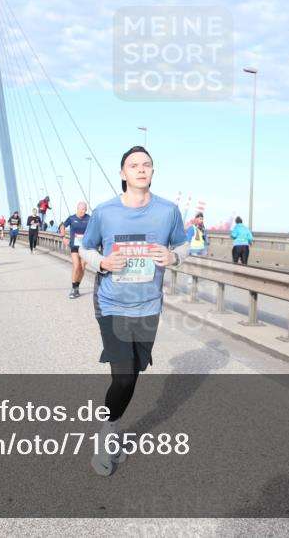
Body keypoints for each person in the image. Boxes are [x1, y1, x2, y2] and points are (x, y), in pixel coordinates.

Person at [78, 146, 189, 476]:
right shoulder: (105, 212)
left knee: (133, 375)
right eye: (134, 165)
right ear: (123, 174)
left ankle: (111, 431)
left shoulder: (168, 211)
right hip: (111, 302)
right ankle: (106, 435)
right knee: (123, 375)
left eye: (147, 165)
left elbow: (184, 245)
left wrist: (174, 257)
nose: (141, 170)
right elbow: (85, 248)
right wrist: (102, 262)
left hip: (148, 304)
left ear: (153, 172)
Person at [60, 201, 92, 298]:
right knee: (76, 265)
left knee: (82, 267)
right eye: (80, 209)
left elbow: (96, 229)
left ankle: (77, 286)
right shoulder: (71, 218)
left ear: (86, 210)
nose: (81, 211)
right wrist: (63, 237)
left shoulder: (89, 219)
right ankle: (73, 288)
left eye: (84, 209)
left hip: (85, 247)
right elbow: (62, 225)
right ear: (77, 209)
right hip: (74, 246)